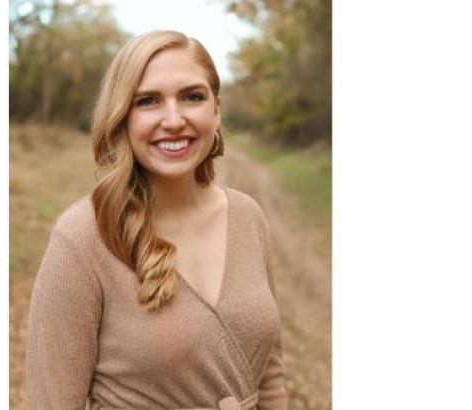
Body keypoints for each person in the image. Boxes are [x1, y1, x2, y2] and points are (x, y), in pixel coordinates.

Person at [25, 30, 286, 410]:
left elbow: (270, 376)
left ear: (216, 109)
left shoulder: (248, 216)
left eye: (192, 97)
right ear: (122, 117)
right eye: (148, 101)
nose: (174, 119)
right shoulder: (82, 237)